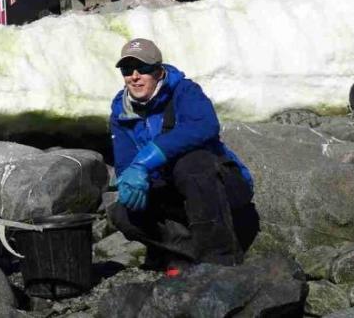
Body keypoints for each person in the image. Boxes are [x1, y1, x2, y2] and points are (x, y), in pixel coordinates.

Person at [107, 38, 259, 275]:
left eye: (143, 68)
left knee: (191, 163)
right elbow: (125, 162)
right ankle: (186, 252)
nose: (134, 76)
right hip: (175, 193)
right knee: (122, 213)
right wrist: (130, 178)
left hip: (220, 186)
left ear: (158, 71)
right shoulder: (120, 111)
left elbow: (205, 126)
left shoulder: (185, 91)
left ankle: (220, 260)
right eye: (127, 70)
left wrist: (147, 159)